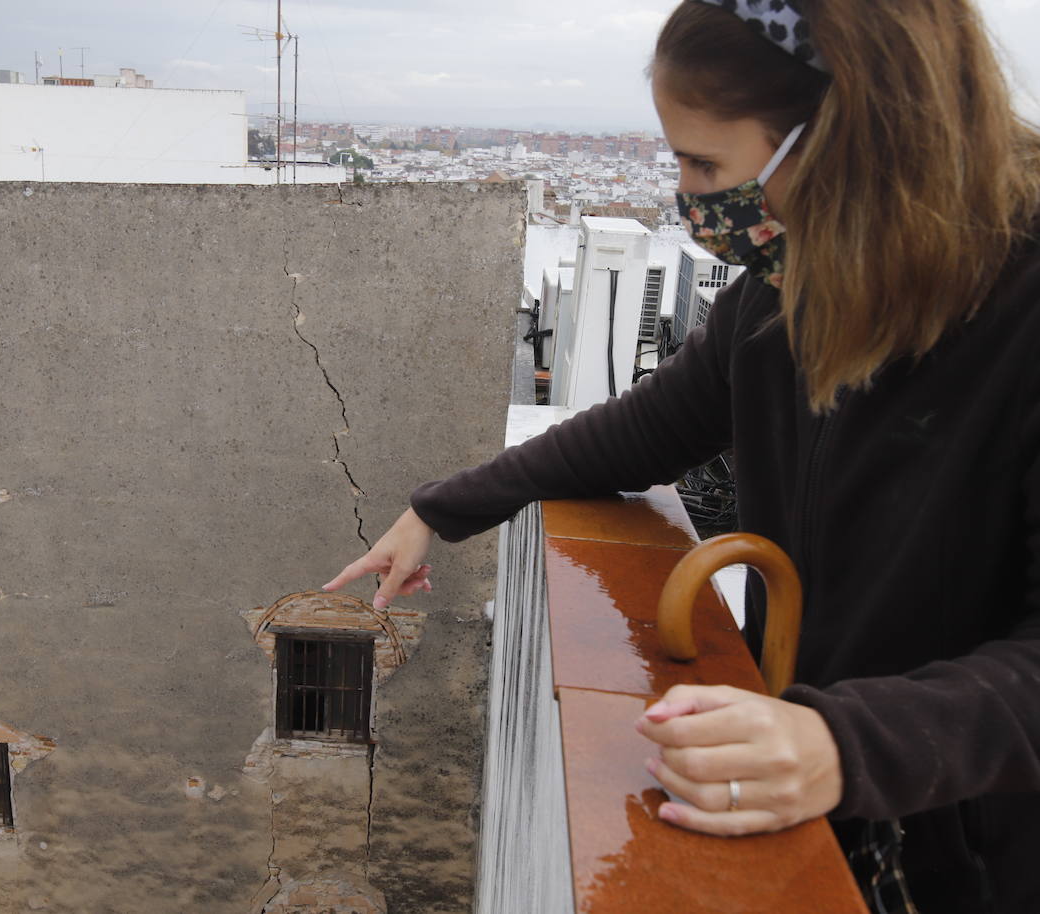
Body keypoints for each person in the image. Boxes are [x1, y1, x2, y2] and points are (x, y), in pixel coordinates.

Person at [323, 1, 1040, 911]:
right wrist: (443, 508)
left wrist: (843, 744)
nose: (692, 198)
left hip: (971, 852)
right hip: (820, 803)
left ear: (848, 141)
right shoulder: (791, 292)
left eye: (705, 163)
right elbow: (650, 426)